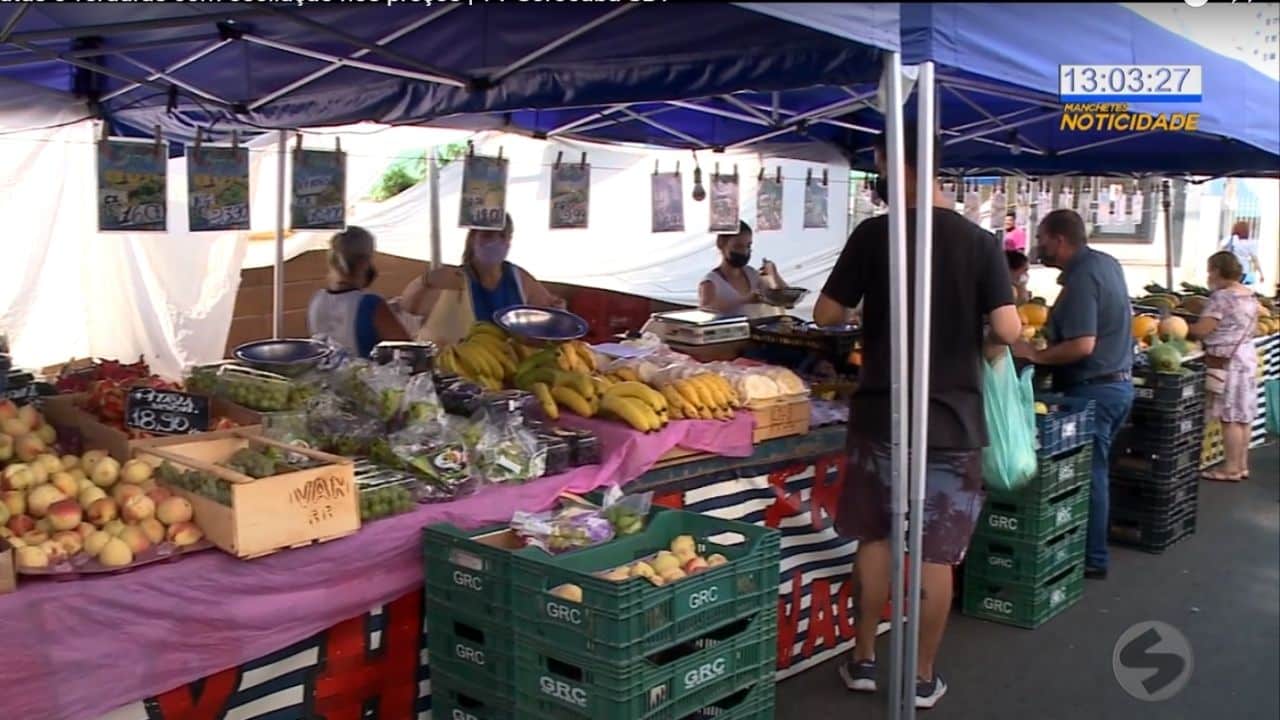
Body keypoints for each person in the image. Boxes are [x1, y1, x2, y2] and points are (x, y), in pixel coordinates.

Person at [814, 125, 1021, 709]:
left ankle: (862, 660)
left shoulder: (875, 234)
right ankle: (922, 676)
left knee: (876, 537)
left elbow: (827, 313)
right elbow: (1007, 329)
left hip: (882, 415)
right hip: (952, 421)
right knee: (935, 553)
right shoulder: (980, 243)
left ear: (885, 160)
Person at [1012, 209, 1133, 581]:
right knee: (1092, 472)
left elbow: (1082, 345)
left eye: (1042, 239)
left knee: (1090, 474)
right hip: (1116, 384)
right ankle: (1085, 547)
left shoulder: (1083, 278)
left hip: (1094, 389)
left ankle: (1093, 557)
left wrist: (1036, 355)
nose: (1038, 245)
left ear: (1060, 240)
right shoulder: (1106, 263)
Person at [397, 214, 563, 346]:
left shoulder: (518, 278)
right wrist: (425, 282)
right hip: (453, 367)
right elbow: (408, 306)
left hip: (505, 369)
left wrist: (557, 308)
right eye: (487, 235)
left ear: (509, 240)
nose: (495, 241)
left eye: (502, 236)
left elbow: (547, 311)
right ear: (472, 239)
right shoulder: (452, 280)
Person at [1189, 251, 1260, 481]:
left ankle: (1230, 469)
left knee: (1229, 416)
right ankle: (1241, 465)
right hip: (1247, 358)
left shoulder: (1222, 298)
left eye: (1210, 270)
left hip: (1227, 362)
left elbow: (1204, 329)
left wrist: (1182, 327)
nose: (1209, 275)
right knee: (1243, 415)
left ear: (1218, 270)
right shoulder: (1250, 296)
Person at [306, 226, 410, 357]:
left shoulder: (317, 299)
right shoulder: (370, 304)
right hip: (362, 375)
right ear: (365, 261)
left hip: (322, 374)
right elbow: (407, 350)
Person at [698, 221, 788, 316]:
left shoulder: (752, 274)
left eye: (748, 246)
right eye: (738, 246)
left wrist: (774, 274)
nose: (744, 252)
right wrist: (745, 300)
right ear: (720, 244)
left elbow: (784, 299)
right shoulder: (711, 282)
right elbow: (705, 309)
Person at [1221, 220, 1265, 288]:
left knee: (1228, 288)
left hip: (1230, 268)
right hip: (1243, 270)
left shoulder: (1230, 239)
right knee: (1235, 287)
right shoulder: (1250, 243)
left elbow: (1221, 250)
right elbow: (1255, 260)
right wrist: (1261, 274)